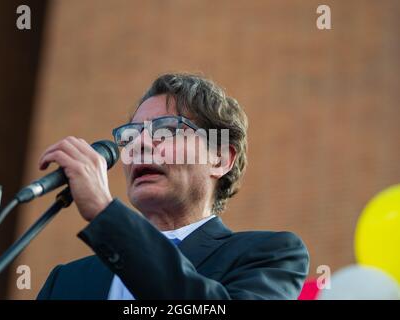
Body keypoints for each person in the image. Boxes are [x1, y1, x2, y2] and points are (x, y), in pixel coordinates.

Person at [36, 73, 309, 300]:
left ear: (220, 158)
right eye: (131, 136)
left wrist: (104, 213)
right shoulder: (64, 282)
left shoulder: (270, 254)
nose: (139, 145)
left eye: (166, 129)